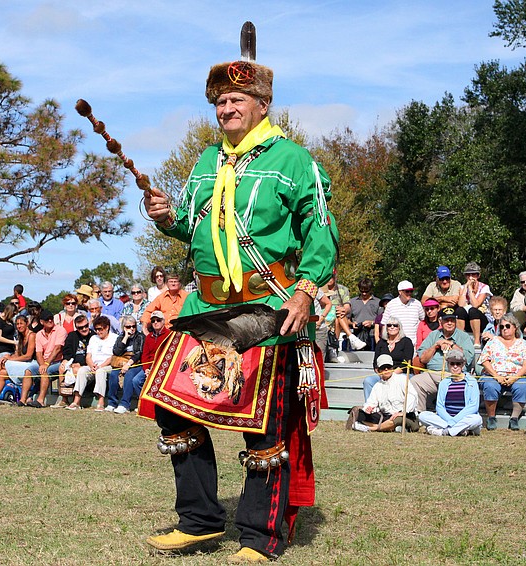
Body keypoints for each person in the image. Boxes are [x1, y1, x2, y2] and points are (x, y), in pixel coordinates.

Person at [141, 47, 338, 562]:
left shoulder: (293, 159)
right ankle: (201, 520)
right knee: (170, 403)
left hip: (265, 305)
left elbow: (321, 229)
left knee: (264, 425)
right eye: (220, 101)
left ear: (262, 103)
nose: (226, 109)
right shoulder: (207, 160)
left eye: (237, 100)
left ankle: (260, 535)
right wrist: (165, 214)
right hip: (205, 304)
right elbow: (189, 222)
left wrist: (306, 288)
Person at [411, 307, 475, 412]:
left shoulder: (463, 336)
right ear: (440, 321)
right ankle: (420, 415)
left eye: (452, 320)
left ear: (456, 321)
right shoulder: (433, 335)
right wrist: (436, 345)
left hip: (453, 375)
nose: (449, 323)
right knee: (415, 381)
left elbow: (468, 357)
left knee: (450, 381)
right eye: (446, 320)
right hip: (432, 375)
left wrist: (452, 344)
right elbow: (423, 359)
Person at [479, 314, 526, 431]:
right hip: (493, 375)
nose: (504, 329)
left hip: (516, 375)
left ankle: (514, 418)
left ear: (515, 328)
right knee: (490, 385)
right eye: (501, 327)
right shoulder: (493, 341)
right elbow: (485, 360)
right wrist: (496, 376)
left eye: (507, 326)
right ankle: (491, 417)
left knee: (523, 386)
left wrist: (515, 377)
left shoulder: (523, 343)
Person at [417, 350, 483, 436]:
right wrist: (450, 420)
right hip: (446, 419)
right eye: (452, 363)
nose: (455, 366)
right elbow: (439, 406)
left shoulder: (471, 382)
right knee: (423, 415)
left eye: (458, 364)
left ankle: (445, 431)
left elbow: (473, 406)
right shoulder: (444, 383)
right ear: (448, 365)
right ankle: (458, 430)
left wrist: (454, 420)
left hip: (464, 418)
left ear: (463, 365)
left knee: (476, 419)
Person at [347, 354, 418, 433]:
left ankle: (372, 428)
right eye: (383, 368)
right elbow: (371, 402)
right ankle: (389, 427)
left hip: (405, 415)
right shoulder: (377, 386)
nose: (386, 369)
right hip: (386, 416)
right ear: (378, 370)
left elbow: (412, 397)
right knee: (361, 414)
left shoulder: (402, 379)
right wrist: (369, 408)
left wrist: (402, 412)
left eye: (389, 367)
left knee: (397, 420)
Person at [67, 315, 117, 411]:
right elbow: (88, 356)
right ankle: (76, 401)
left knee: (101, 371)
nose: (98, 332)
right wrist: (91, 365)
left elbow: (112, 357)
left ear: (107, 327)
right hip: (93, 365)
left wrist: (101, 366)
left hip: (107, 366)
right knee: (81, 370)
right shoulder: (94, 338)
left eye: (100, 329)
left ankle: (101, 401)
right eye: (96, 329)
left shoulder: (114, 338)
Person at [0, 315, 36, 406]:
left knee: (2, 363)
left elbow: (28, 356)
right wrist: (9, 356)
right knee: (2, 372)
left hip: (31, 364)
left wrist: (11, 359)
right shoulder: (20, 336)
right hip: (24, 363)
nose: (19, 326)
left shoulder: (32, 335)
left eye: (21, 324)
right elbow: (18, 354)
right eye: (17, 324)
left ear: (27, 324)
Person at [362, 316, 414, 400]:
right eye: (389, 325)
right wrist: (382, 374)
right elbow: (375, 363)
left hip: (401, 374)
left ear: (399, 327)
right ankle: (370, 406)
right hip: (383, 374)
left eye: (395, 325)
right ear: (386, 328)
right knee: (368, 381)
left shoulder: (406, 341)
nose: (392, 327)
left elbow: (407, 362)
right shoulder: (381, 343)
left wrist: (392, 375)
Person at [107, 315, 145, 414]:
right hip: (121, 362)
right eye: (128, 327)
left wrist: (128, 364)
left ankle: (125, 404)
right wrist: (125, 338)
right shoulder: (120, 337)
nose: (131, 329)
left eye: (133, 326)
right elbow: (116, 352)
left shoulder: (140, 337)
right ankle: (112, 402)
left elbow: (139, 353)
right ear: (124, 327)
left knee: (129, 375)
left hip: (135, 363)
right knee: (113, 375)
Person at [55, 314, 95, 409]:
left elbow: (92, 355)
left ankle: (76, 401)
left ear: (88, 324)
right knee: (62, 367)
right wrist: (67, 361)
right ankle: (64, 398)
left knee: (77, 370)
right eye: (81, 328)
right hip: (73, 362)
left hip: (87, 365)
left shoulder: (93, 337)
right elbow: (67, 350)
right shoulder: (72, 335)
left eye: (86, 326)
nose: (84, 329)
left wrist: (80, 364)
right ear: (76, 327)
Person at [29, 309, 67, 408]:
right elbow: (38, 353)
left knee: (44, 372)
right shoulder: (39, 334)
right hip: (44, 362)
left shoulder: (60, 330)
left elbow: (57, 348)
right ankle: (24, 399)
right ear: (42, 322)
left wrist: (46, 364)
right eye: (47, 319)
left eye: (51, 319)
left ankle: (40, 400)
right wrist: (42, 364)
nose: (50, 321)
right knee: (28, 370)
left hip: (58, 361)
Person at [457, 262, 491, 345]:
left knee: (473, 310)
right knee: (459, 311)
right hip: (467, 319)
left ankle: (477, 341)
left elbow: (476, 304)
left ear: (478, 275)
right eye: (468, 275)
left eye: (473, 274)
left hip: (481, 318)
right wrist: (466, 288)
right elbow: (461, 304)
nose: (470, 277)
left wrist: (470, 290)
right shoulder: (462, 287)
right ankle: (460, 340)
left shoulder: (484, 287)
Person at [346, 278, 380, 350]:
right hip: (356, 336)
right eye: (362, 291)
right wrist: (352, 324)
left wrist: (372, 323)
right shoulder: (352, 302)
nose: (364, 293)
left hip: (372, 336)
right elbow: (346, 319)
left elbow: (382, 320)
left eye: (366, 291)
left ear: (371, 289)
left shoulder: (378, 302)